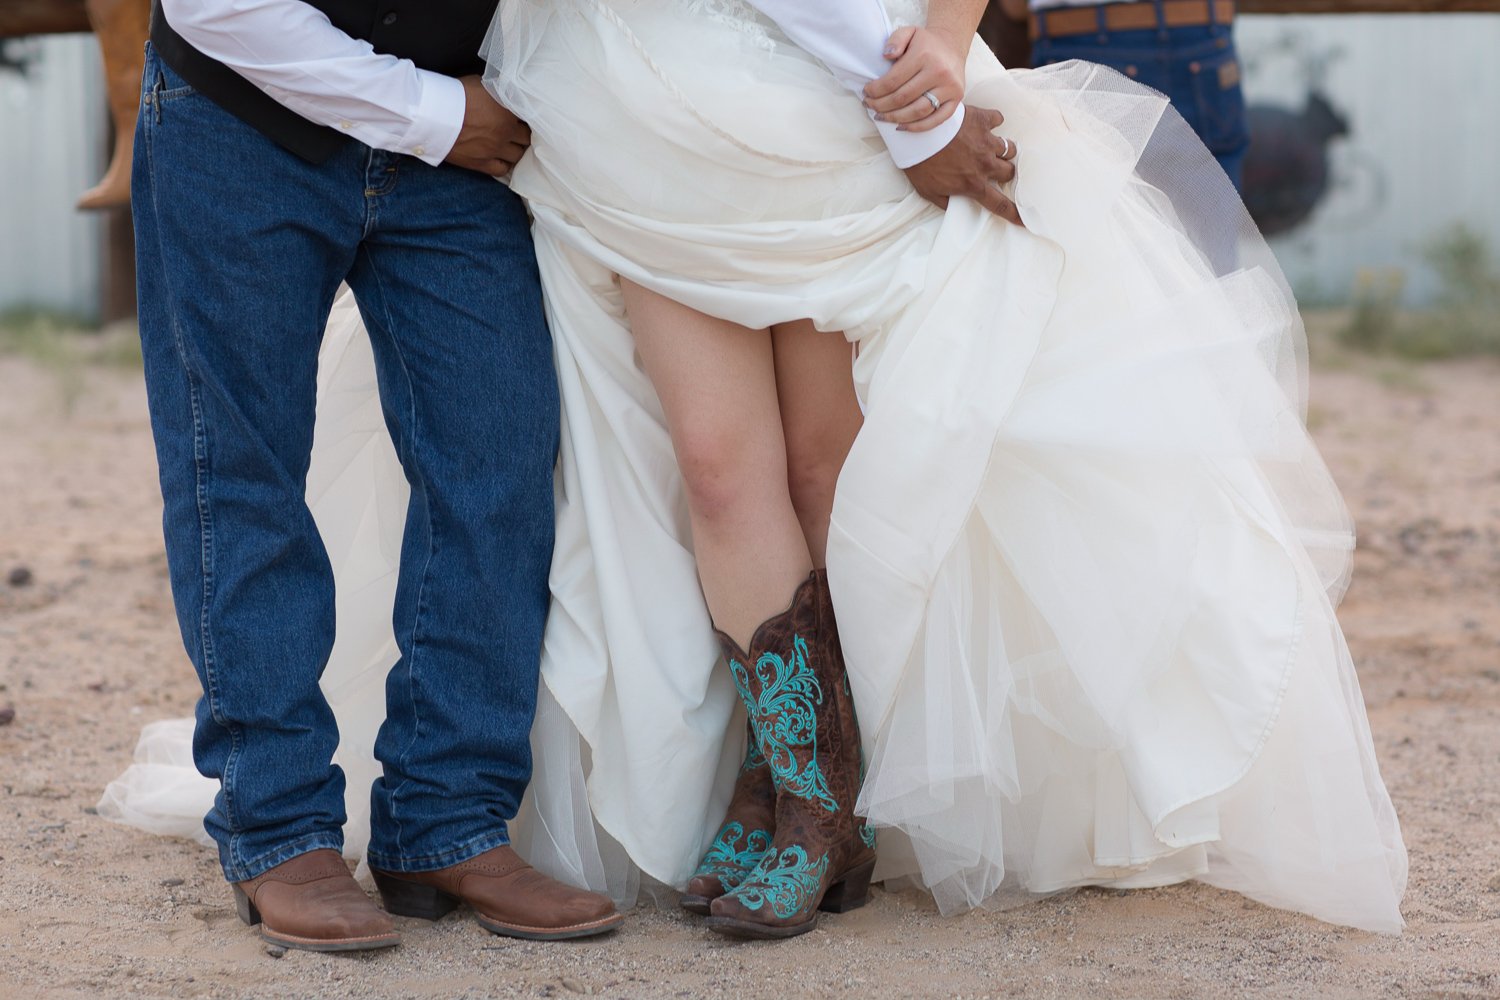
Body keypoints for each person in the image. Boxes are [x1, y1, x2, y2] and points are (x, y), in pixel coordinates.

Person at [105, 0, 1408, 942]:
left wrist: (941, 54)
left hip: (752, 107)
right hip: (486, 115)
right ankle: (286, 831)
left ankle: (718, 804)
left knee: (664, 471)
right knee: (273, 481)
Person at [124, 0, 632, 951]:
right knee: (241, 473)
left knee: (499, 463)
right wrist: (437, 115)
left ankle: (447, 819)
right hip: (244, 119)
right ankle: (278, 826)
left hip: (455, 144)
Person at [999, 0, 1251, 190]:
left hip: (1077, 40)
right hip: (1201, 35)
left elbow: (1015, 7)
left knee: (1091, 241)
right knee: (1207, 248)